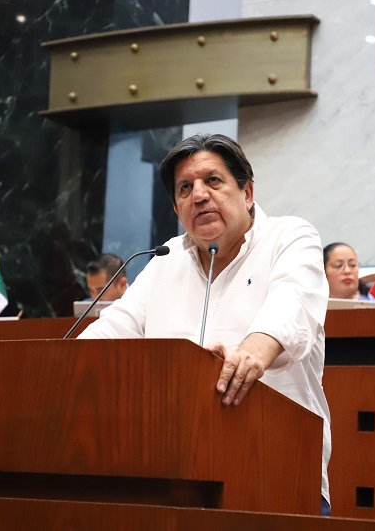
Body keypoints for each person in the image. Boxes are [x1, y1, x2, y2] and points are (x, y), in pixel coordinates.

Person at [78, 133, 332, 516]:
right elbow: (111, 330)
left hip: (278, 473)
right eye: (185, 188)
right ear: (177, 208)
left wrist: (251, 353)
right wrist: (63, 365)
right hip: (174, 478)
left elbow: (291, 306)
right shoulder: (165, 261)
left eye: (213, 180)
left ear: (247, 192)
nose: (198, 195)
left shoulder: (291, 238)